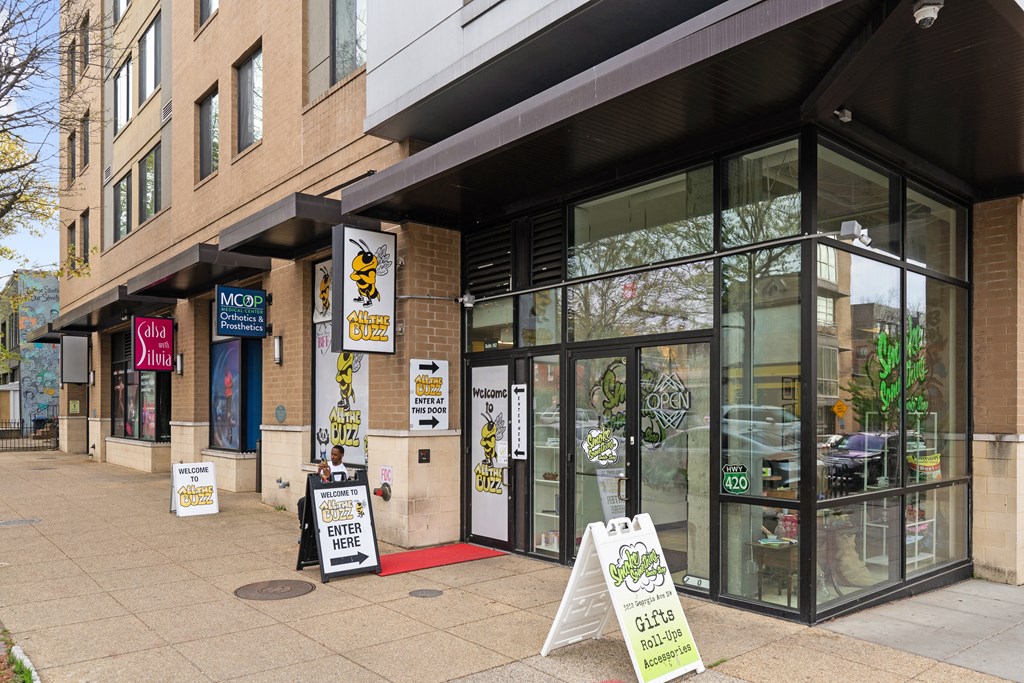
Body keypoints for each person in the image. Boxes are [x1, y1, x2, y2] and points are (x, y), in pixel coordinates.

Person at [298, 445, 347, 537]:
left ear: (341, 455)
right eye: (331, 454)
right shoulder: (327, 464)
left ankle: (311, 531)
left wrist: (328, 476)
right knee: (302, 502)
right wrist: (318, 471)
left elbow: (337, 490)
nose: (332, 457)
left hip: (331, 499)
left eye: (335, 455)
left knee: (307, 504)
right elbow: (318, 479)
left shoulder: (343, 470)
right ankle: (304, 529)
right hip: (319, 494)